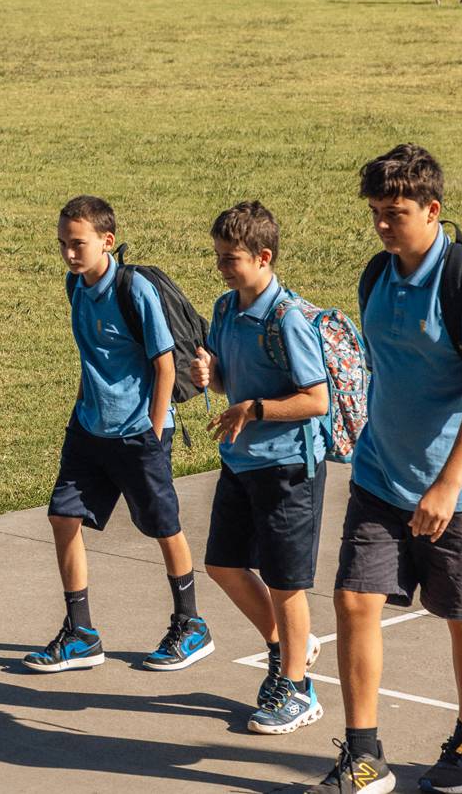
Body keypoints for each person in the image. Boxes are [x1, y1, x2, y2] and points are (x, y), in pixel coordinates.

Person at [302, 144, 462, 794]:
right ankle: (365, 755)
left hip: (461, 487)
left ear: (432, 208)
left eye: (394, 212)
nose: (381, 224)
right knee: (352, 599)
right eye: (374, 212)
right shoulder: (379, 274)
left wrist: (448, 484)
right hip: (379, 474)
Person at [22, 196, 211, 675]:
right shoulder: (75, 286)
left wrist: (152, 426)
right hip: (89, 427)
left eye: (77, 244)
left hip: (138, 432)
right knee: (63, 519)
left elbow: (164, 364)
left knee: (163, 527)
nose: (68, 254)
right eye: (62, 244)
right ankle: (82, 634)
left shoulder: (136, 290)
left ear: (107, 241)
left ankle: (191, 624)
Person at [190, 201, 329, 735]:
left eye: (232, 258)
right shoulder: (226, 309)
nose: (222, 267)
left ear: (264, 257)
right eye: (219, 257)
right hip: (241, 461)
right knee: (223, 565)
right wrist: (214, 375)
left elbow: (316, 399)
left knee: (285, 582)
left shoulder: (288, 318)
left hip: (289, 466)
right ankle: (288, 647)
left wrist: (254, 409)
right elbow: (229, 383)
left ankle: (298, 689)